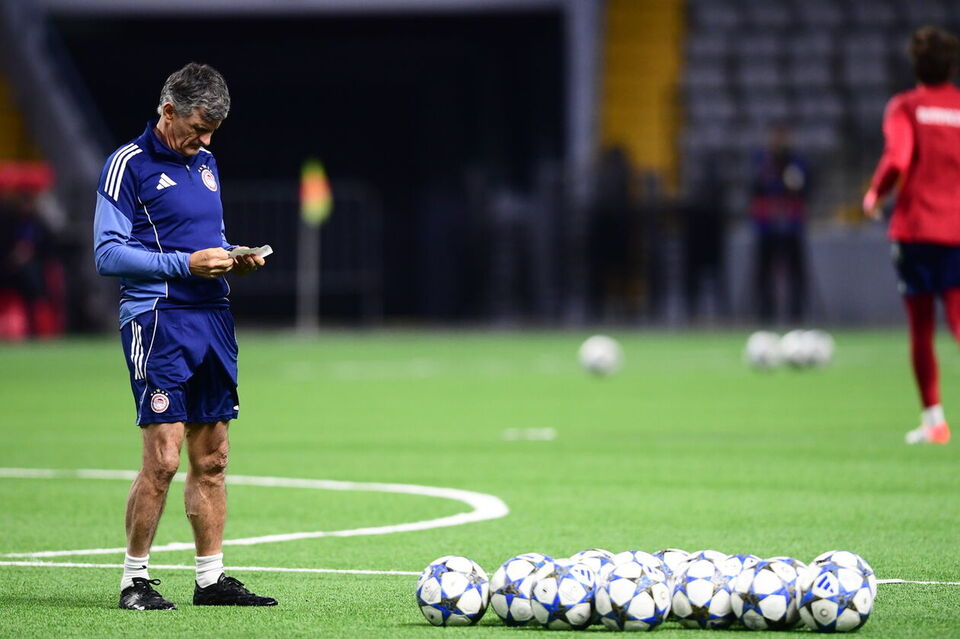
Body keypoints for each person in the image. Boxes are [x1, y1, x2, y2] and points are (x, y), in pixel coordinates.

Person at [93, 63, 276, 609]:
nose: (206, 141)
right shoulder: (127, 164)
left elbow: (204, 238)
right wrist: (184, 264)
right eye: (198, 129)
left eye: (213, 132)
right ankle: (134, 580)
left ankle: (210, 580)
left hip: (212, 316)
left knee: (213, 458)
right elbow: (107, 252)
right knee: (164, 458)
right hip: (159, 318)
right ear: (168, 111)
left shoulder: (206, 163)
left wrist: (233, 257)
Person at [863, 26, 960, 445]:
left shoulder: (905, 107)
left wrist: (874, 193)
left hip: (917, 230)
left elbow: (898, 158)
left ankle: (934, 422)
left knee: (921, 327)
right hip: (957, 230)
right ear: (951, 67)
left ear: (916, 66)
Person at [749, 124, 810, 323]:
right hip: (767, 225)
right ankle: (765, 313)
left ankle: (796, 313)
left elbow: (805, 188)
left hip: (791, 225)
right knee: (764, 272)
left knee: (795, 271)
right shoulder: (762, 161)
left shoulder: (797, 161)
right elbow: (755, 188)